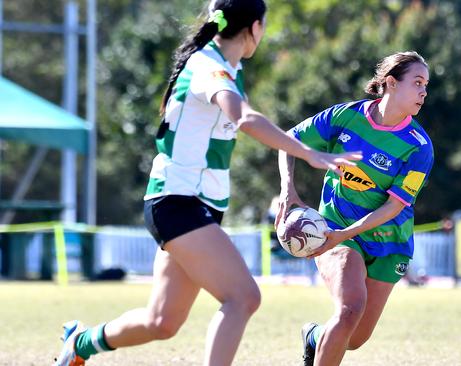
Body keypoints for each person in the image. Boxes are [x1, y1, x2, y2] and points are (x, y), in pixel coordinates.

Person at [53, 1, 360, 365]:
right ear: (255, 28)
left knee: (161, 321)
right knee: (243, 297)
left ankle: (81, 343)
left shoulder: (229, 68)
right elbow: (243, 116)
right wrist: (307, 153)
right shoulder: (208, 66)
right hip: (177, 203)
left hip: (194, 207)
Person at [276, 51, 434, 366]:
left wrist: (345, 233)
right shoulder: (345, 117)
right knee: (349, 309)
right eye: (417, 83)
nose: (423, 92)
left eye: (426, 85)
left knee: (355, 337)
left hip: (390, 243)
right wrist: (287, 189)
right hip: (337, 230)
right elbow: (288, 140)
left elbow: (392, 207)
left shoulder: (418, 146)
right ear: (391, 83)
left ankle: (314, 336)